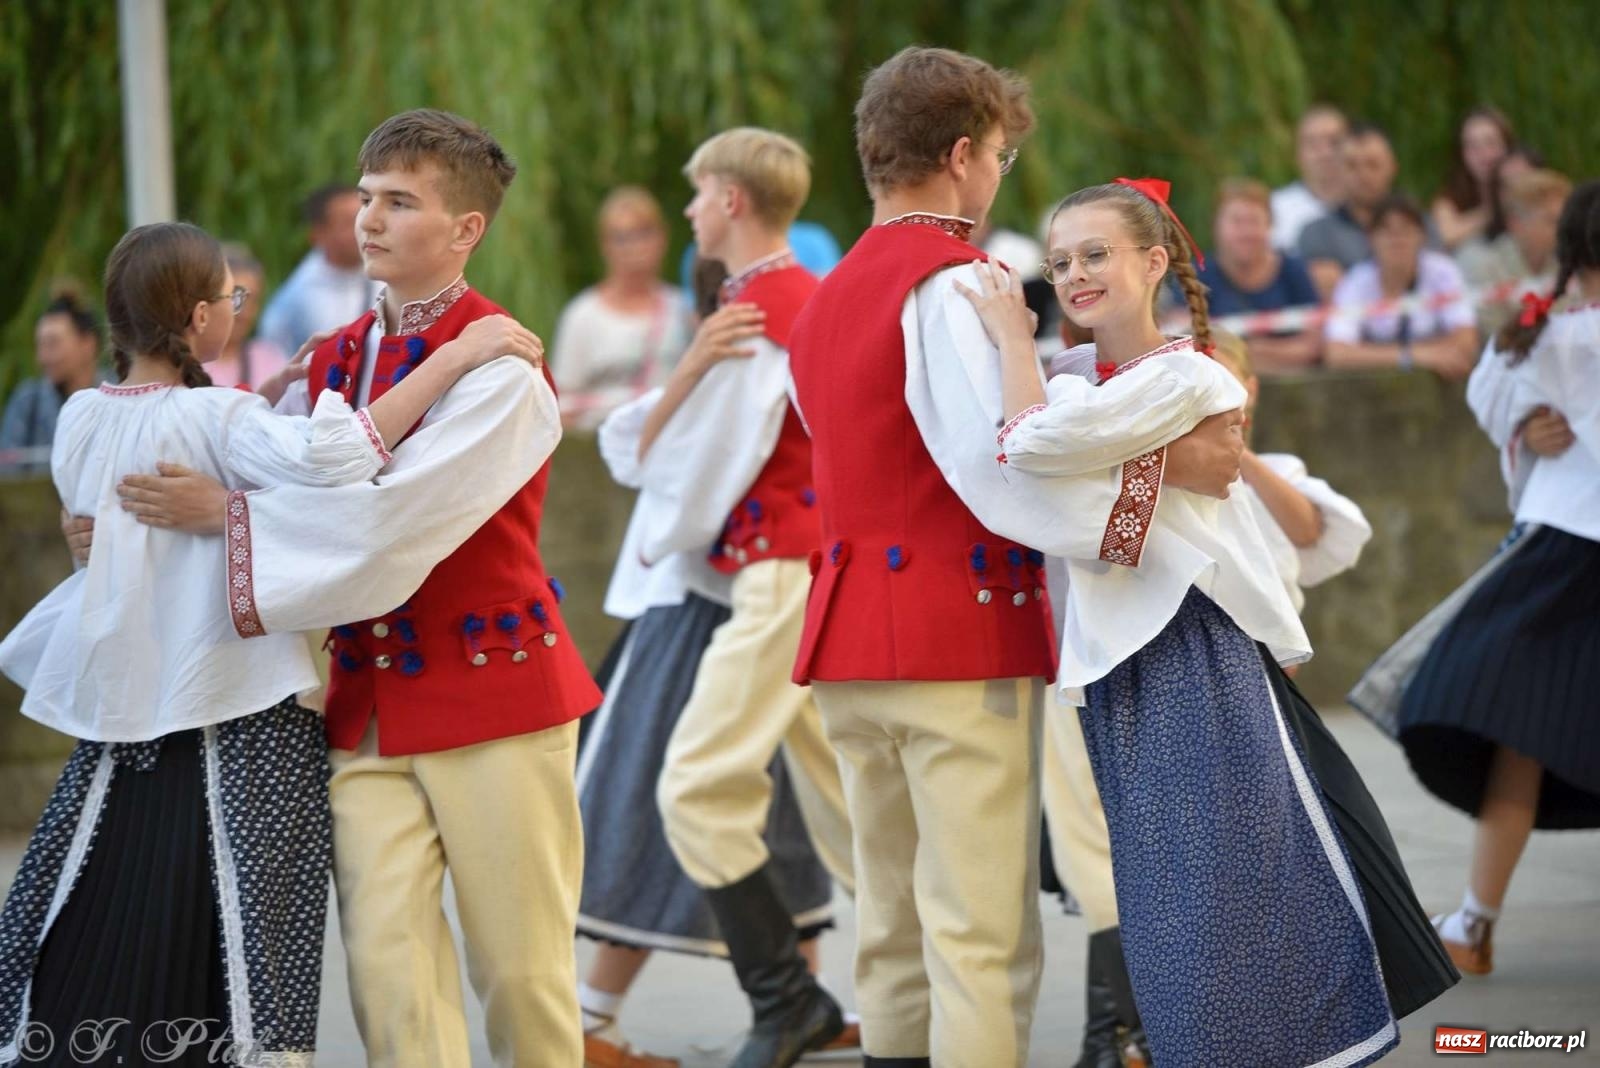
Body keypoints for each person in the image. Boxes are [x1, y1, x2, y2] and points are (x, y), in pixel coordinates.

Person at [786, 47, 1249, 1067]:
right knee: (977, 939)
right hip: (954, 643)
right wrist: (1155, 503)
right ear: (960, 156)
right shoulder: (951, 286)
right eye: (997, 155)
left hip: (845, 641)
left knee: (895, 926)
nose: (999, 174)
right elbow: (997, 470)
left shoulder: (818, 299)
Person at [110, 109, 598, 1068]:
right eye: (367, 195)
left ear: (468, 230)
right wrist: (121, 520)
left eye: (401, 201)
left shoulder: (501, 367)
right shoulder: (328, 360)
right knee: (387, 975)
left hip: (494, 692)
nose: (369, 216)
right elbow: (253, 469)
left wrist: (227, 517)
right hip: (363, 704)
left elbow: (392, 525)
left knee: (522, 974)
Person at [0, 220, 532, 1068]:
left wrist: (275, 389)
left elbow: (95, 531)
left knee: (107, 897)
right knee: (253, 937)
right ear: (203, 320)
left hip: (126, 720)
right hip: (238, 709)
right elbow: (337, 457)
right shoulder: (225, 418)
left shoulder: (78, 421)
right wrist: (455, 357)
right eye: (230, 297)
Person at [972, 176, 1457, 1065]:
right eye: (1060, 261)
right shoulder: (1074, 376)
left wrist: (1012, 338)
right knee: (1161, 894)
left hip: (1194, 645)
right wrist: (1150, 461)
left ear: (1154, 262)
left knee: (1231, 877)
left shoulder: (1191, 369)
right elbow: (1026, 458)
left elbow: (1031, 446)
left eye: (1096, 254)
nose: (1074, 274)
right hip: (1118, 662)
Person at [616, 127, 858, 1068]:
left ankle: (787, 999)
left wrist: (669, 538)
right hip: (799, 571)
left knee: (698, 788)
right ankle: (895, 1002)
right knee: (852, 808)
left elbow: (675, 465)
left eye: (695, 193)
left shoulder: (758, 312)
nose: (686, 211)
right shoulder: (793, 299)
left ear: (730, 200)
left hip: (780, 578)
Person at [1376, 181, 1600, 978]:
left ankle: (1474, 923)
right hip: (1563, 553)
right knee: (1522, 741)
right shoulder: (1550, 334)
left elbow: (1488, 392)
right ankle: (1470, 924)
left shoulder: (1544, 334)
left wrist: (1522, 428)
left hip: (1555, 559)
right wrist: (1527, 426)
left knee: (1520, 739)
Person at [550, 186, 693, 430]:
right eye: (621, 238)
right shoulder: (583, 315)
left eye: (643, 234)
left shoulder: (682, 310)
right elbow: (562, 402)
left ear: (662, 238)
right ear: (605, 245)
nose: (633, 248)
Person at [1324, 194, 1479, 378]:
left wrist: (1385, 355)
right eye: (1387, 231)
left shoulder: (1442, 271)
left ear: (1421, 235)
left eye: (1405, 230)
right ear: (1371, 238)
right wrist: (1414, 356)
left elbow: (1466, 339)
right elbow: (1337, 354)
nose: (1396, 240)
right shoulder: (1356, 281)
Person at [1198, 178, 1322, 370]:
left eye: (1254, 221)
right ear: (1216, 226)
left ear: (1270, 226)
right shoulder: (1198, 275)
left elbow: (1314, 346)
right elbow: (1187, 344)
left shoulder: (1293, 270)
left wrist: (1246, 351)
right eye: (1237, 222)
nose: (1246, 232)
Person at [1299, 122, 1433, 298]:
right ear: (1338, 169)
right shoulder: (1316, 234)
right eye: (1351, 165)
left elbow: (1433, 282)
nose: (1363, 175)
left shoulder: (1421, 224)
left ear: (1392, 167)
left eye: (1373, 165)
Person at [256, 182, 377, 357]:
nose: (364, 227)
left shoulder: (391, 272)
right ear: (318, 234)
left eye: (364, 215)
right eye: (348, 222)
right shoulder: (298, 298)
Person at [1458, 169, 1571, 335]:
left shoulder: (1569, 266)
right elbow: (1496, 336)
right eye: (1551, 220)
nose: (1563, 228)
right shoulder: (1482, 266)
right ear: (1516, 224)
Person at [0, 292, 107, 455]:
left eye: (53, 344)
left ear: (88, 343)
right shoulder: (28, 403)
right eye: (40, 346)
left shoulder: (118, 398)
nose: (42, 357)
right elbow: (9, 472)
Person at [204, 244, 294, 400]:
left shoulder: (270, 358)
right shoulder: (188, 366)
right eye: (235, 297)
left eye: (252, 300)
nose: (244, 311)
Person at [1433, 107, 1517, 252]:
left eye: (1490, 143)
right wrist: (1493, 210)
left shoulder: (1524, 186)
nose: (1482, 153)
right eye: (1472, 146)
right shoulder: (1450, 198)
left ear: (1507, 147)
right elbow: (1446, 237)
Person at [1272, 104, 1348, 252]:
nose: (1325, 153)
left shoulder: (1370, 208)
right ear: (1297, 155)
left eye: (1334, 142)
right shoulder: (1276, 208)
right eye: (1312, 144)